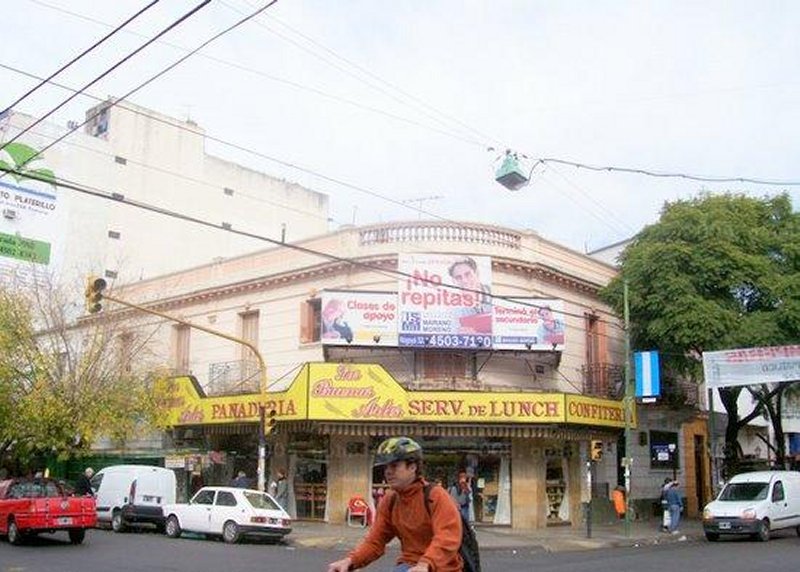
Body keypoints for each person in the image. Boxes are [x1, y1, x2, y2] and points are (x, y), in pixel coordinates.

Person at [326, 436, 463, 572]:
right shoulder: (390, 500)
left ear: (412, 467)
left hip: (442, 568)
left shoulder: (436, 496)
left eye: (394, 466)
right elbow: (375, 541)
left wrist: (425, 564)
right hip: (408, 565)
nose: (388, 472)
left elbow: (447, 538)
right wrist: (350, 561)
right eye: (386, 467)